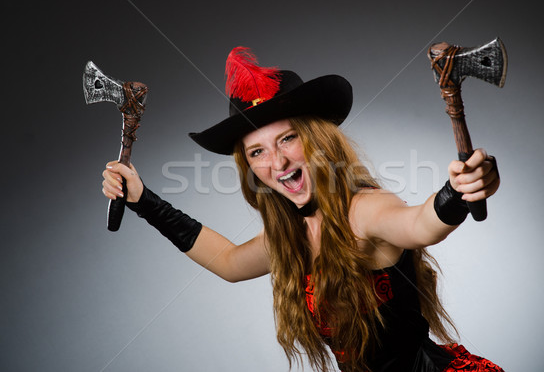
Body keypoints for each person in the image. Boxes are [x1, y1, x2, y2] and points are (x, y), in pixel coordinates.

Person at [101, 47, 502, 372]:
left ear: (319, 141)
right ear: (250, 166)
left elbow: (420, 224)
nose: (277, 162)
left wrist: (458, 191)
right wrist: (143, 200)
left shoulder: (363, 210)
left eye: (288, 138)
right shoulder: (291, 233)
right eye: (258, 151)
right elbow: (227, 261)